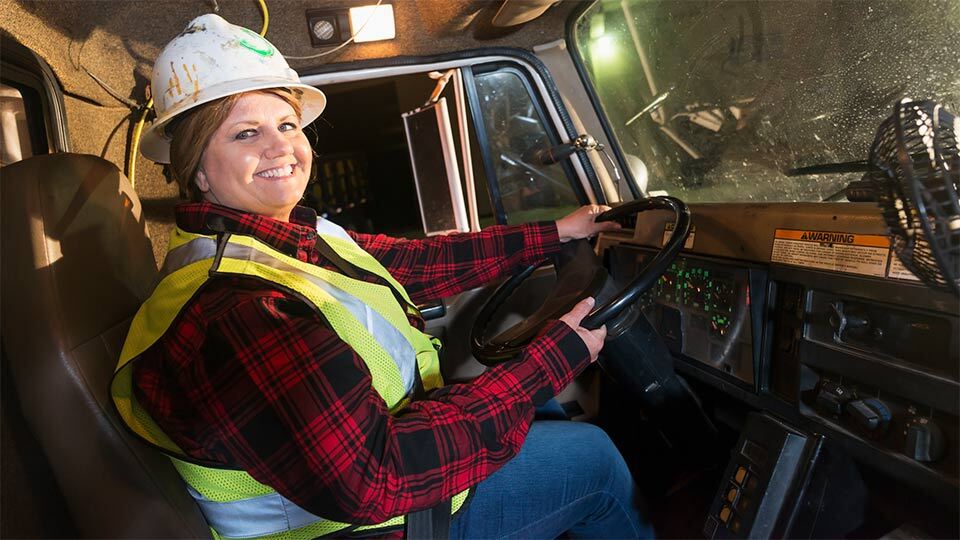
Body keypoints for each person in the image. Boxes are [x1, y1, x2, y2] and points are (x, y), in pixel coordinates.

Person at [111, 14, 653, 540]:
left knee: (541, 402)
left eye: (286, 125)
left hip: (388, 480)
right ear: (197, 170)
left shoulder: (279, 240)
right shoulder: (234, 309)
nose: (280, 148)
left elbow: (412, 264)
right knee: (595, 460)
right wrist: (556, 357)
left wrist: (556, 233)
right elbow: (379, 477)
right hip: (375, 525)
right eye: (246, 134)